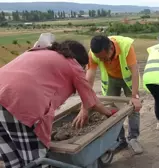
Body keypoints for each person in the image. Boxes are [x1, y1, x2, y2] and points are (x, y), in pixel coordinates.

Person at [0, 33, 115, 168]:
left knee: (13, 159)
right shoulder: (72, 64)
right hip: (18, 102)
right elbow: (92, 101)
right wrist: (109, 115)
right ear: (80, 62)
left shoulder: (40, 52)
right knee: (36, 161)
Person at [86, 35, 143, 154]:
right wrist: (86, 98)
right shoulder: (94, 53)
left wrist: (134, 96)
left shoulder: (126, 46)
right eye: (98, 58)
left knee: (134, 108)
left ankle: (133, 138)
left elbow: (134, 72)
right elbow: (90, 74)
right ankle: (120, 140)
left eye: (103, 57)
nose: (101, 60)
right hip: (111, 79)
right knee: (110, 110)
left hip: (127, 78)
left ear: (111, 49)